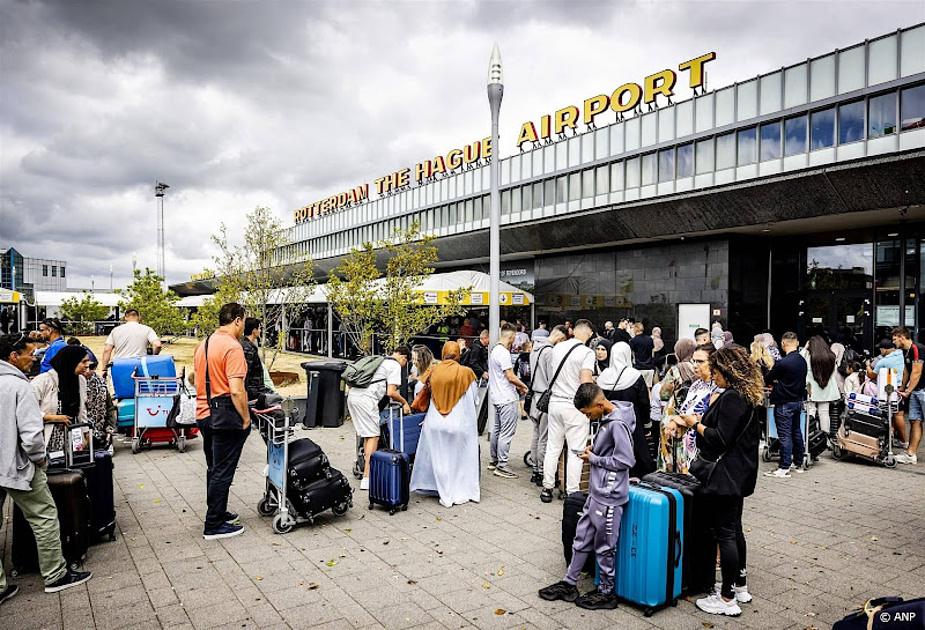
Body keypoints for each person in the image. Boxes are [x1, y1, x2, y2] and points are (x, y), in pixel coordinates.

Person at [668, 345, 761, 617]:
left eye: (716, 370)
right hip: (738, 471)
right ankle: (738, 585)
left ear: (727, 371)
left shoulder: (732, 397)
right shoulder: (746, 395)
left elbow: (719, 437)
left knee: (726, 533)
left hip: (725, 475)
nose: (713, 376)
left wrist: (695, 424)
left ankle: (727, 597)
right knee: (734, 528)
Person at [0, 334, 93, 603]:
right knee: (44, 517)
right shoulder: (20, 387)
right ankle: (55, 574)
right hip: (19, 464)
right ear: (13, 356)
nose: (35, 359)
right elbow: (31, 434)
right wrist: (40, 460)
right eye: (31, 353)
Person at [538, 382, 635, 610]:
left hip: (609, 496)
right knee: (581, 538)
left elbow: (626, 461)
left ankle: (606, 592)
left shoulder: (618, 424)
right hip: (597, 492)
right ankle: (569, 582)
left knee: (605, 546)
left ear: (600, 404)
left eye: (587, 413)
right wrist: (595, 450)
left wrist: (594, 459)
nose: (587, 417)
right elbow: (611, 452)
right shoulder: (608, 419)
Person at [193, 303, 251, 540]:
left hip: (203, 414)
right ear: (237, 320)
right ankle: (214, 524)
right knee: (223, 471)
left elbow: (193, 377)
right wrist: (246, 418)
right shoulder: (232, 347)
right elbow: (236, 390)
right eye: (244, 321)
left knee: (214, 468)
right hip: (225, 416)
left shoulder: (204, 344)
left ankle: (218, 511)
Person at [410, 342, 480, 507]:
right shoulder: (467, 373)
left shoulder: (434, 371)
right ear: (457, 354)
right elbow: (474, 398)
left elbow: (422, 388)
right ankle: (459, 491)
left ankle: (443, 492)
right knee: (459, 458)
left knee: (441, 458)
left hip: (435, 422)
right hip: (458, 423)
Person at [541, 319, 596, 502]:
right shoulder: (587, 352)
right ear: (588, 333)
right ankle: (572, 492)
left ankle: (547, 488)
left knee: (553, 447)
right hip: (574, 407)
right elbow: (585, 380)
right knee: (576, 451)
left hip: (555, 403)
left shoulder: (558, 348)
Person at [347, 346, 411, 490]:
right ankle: (367, 478)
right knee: (374, 437)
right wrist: (405, 402)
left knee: (366, 436)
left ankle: (365, 469)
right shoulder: (394, 365)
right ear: (403, 358)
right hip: (366, 400)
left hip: (353, 397)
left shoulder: (380, 359)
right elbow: (391, 392)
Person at [597, 341, 656, 478]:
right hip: (633, 422)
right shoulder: (634, 376)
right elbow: (644, 403)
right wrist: (647, 425)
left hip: (610, 422)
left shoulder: (604, 376)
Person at [662, 344, 719, 474]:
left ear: (713, 363)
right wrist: (677, 420)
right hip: (684, 447)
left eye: (700, 361)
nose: (695, 365)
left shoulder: (717, 387)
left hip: (702, 450)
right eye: (694, 361)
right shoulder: (696, 384)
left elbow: (704, 417)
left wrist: (678, 420)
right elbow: (685, 410)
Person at [32, 344, 90, 456]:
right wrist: (51, 417)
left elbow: (82, 409)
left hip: (73, 435)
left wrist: (86, 432)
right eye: (83, 362)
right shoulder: (43, 381)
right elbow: (27, 410)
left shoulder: (80, 380)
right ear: (71, 361)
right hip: (49, 436)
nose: (87, 365)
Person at [763, 332, 807, 478]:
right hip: (798, 401)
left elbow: (768, 378)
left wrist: (776, 381)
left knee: (785, 435)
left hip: (784, 403)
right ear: (797, 342)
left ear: (783, 344)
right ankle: (799, 463)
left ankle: (784, 467)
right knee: (796, 432)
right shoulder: (802, 361)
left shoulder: (783, 363)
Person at [527, 325, 567, 485]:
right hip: (545, 398)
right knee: (544, 438)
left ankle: (535, 470)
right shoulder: (549, 351)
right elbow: (552, 379)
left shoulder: (535, 349)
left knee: (536, 435)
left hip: (535, 398)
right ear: (559, 336)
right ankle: (542, 472)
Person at [488, 323, 528, 479]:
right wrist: (524, 386)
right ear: (511, 336)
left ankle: (494, 460)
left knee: (497, 430)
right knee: (506, 432)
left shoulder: (494, 350)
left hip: (497, 397)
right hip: (507, 398)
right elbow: (510, 376)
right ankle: (502, 466)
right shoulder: (503, 353)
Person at [892, 326, 924, 465]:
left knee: (916, 420)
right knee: (914, 421)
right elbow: (906, 371)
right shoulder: (905, 352)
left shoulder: (917, 349)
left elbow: (916, 372)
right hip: (916, 391)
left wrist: (908, 391)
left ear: (902, 337)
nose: (894, 342)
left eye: (895, 339)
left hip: (922, 390)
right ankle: (910, 454)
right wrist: (902, 387)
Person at [99, 309, 161, 377]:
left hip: (119, 365)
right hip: (139, 366)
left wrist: (104, 369)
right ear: (139, 317)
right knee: (138, 386)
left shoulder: (116, 330)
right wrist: (153, 357)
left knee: (119, 387)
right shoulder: (147, 329)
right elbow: (158, 345)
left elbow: (107, 350)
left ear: (125, 317)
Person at [802, 335, 839, 435]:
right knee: (824, 413)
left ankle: (810, 435)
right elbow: (834, 373)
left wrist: (804, 348)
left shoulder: (808, 356)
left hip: (811, 389)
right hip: (826, 389)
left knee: (811, 411)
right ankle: (825, 438)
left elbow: (799, 361)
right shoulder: (830, 356)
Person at [241, 318, 274, 403]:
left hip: (256, 389)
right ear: (254, 330)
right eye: (259, 328)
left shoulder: (248, 346)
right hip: (254, 392)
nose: (260, 331)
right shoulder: (247, 349)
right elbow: (245, 372)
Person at [629, 322, 656, 387]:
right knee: (649, 388)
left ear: (636, 329)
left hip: (638, 367)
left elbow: (631, 355)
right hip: (649, 367)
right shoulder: (650, 339)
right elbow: (652, 353)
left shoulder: (633, 341)